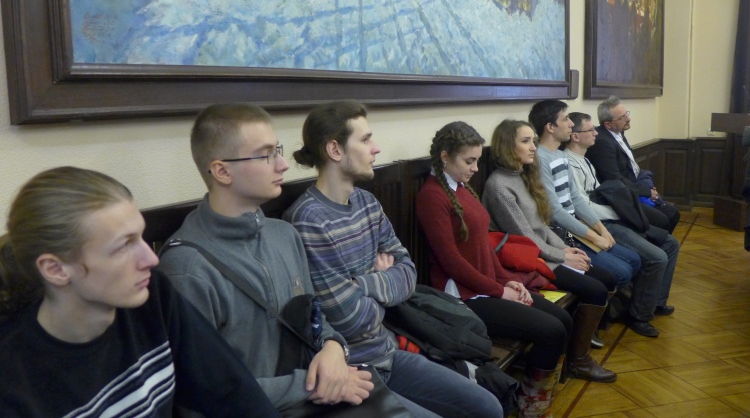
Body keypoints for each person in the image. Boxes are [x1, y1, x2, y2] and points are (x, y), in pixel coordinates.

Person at [283, 100, 503, 418]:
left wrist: (362, 284)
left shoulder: (367, 202)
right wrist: (384, 284)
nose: (376, 148)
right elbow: (349, 320)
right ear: (335, 150)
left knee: (488, 406)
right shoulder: (309, 220)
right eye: (365, 139)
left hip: (388, 349)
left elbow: (408, 275)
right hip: (351, 370)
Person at [0, 166, 278, 418]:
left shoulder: (151, 294)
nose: (151, 259)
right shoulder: (14, 380)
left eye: (141, 237)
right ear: (56, 269)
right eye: (123, 246)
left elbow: (234, 393)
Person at [157, 104, 374, 413]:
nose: (283, 164)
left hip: (316, 401)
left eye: (278, 151)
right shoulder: (187, 268)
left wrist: (333, 347)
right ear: (222, 171)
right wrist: (309, 385)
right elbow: (203, 390)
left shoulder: (284, 235)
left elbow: (313, 318)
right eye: (266, 155)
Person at [415, 122, 617, 416]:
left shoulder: (460, 186)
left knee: (562, 319)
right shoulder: (432, 196)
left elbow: (484, 246)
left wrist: (508, 281)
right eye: (469, 161)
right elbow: (451, 262)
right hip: (464, 295)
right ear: (445, 156)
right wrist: (499, 290)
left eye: (477, 161)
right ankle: (530, 405)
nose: (475, 168)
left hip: (488, 285)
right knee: (550, 331)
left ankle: (537, 395)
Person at [483, 119, 625, 379]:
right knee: (594, 289)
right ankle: (578, 361)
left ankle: (577, 351)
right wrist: (561, 257)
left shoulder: (524, 175)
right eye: (525, 141)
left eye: (533, 141)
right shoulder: (499, 186)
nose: (533, 147)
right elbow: (525, 238)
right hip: (529, 260)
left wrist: (566, 250)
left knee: (606, 278)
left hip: (546, 251)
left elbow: (542, 224)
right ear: (507, 146)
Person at [564, 111, 678, 333]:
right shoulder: (569, 163)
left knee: (670, 243)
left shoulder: (584, 160)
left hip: (608, 217)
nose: (596, 133)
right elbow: (583, 206)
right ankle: (639, 316)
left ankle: (655, 302)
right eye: (590, 129)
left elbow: (600, 194)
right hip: (600, 224)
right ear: (575, 136)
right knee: (656, 257)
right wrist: (619, 213)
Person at [528, 99, 641, 292]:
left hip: (576, 226)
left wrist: (601, 230)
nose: (571, 123)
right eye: (565, 119)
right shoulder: (540, 159)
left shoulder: (560, 155)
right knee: (621, 271)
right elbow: (555, 211)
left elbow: (577, 199)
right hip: (560, 234)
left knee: (634, 259)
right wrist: (594, 238)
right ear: (550, 127)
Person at [587, 96, 681, 234]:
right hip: (622, 194)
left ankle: (661, 243)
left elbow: (631, 167)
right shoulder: (603, 143)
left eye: (627, 114)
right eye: (622, 117)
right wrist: (646, 192)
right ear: (608, 124)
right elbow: (614, 178)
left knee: (672, 213)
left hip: (637, 182)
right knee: (665, 218)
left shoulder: (618, 131)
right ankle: (656, 245)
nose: (628, 119)